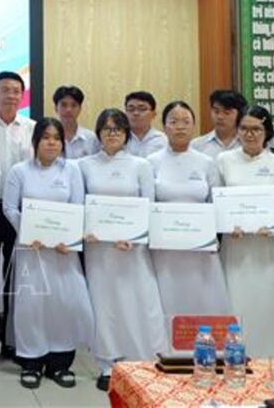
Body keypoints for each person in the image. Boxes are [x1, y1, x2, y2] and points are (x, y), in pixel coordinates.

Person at [79, 108, 167, 392]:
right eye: (107, 129)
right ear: (98, 133)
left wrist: (134, 237)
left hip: (132, 248)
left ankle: (141, 359)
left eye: (118, 129)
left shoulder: (141, 165)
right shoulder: (84, 165)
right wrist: (86, 231)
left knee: (138, 300)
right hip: (99, 250)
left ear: (126, 133)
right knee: (104, 304)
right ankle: (107, 363)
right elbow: (80, 206)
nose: (112, 134)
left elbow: (148, 206)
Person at [4, 117, 92, 391]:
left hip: (64, 251)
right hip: (31, 249)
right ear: (35, 141)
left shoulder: (72, 171)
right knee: (32, 305)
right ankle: (31, 362)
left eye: (56, 138)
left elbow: (78, 208)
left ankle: (60, 363)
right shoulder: (19, 171)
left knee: (64, 302)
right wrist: (28, 232)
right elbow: (9, 208)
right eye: (46, 137)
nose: (51, 143)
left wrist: (69, 238)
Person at [214, 105, 274, 358]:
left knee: (272, 304)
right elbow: (216, 201)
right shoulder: (224, 161)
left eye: (256, 129)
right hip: (235, 247)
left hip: (268, 248)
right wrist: (225, 225)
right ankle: (236, 358)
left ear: (267, 132)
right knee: (236, 303)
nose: (250, 134)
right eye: (244, 128)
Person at [147, 100, 231, 318]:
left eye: (186, 121)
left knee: (202, 303)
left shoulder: (206, 162)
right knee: (168, 303)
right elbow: (146, 206)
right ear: (164, 126)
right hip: (165, 249)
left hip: (200, 249)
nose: (180, 127)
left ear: (194, 125)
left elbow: (216, 204)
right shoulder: (151, 162)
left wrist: (215, 237)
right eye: (173, 121)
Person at [0, 71, 35, 366]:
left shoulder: (32, 128)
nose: (11, 95)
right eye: (5, 90)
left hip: (21, 212)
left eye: (16, 90)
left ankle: (12, 339)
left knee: (17, 278)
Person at [190, 90, 247, 159]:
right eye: (216, 112)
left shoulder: (248, 144)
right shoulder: (196, 146)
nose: (220, 117)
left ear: (240, 115)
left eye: (227, 113)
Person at [54, 85, 100, 159]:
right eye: (64, 105)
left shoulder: (91, 138)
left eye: (73, 105)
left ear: (80, 109)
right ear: (56, 108)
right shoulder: (47, 138)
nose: (68, 110)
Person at [123, 91, 166, 158]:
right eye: (131, 109)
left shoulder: (162, 140)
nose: (136, 113)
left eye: (142, 109)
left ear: (153, 114)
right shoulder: (119, 139)